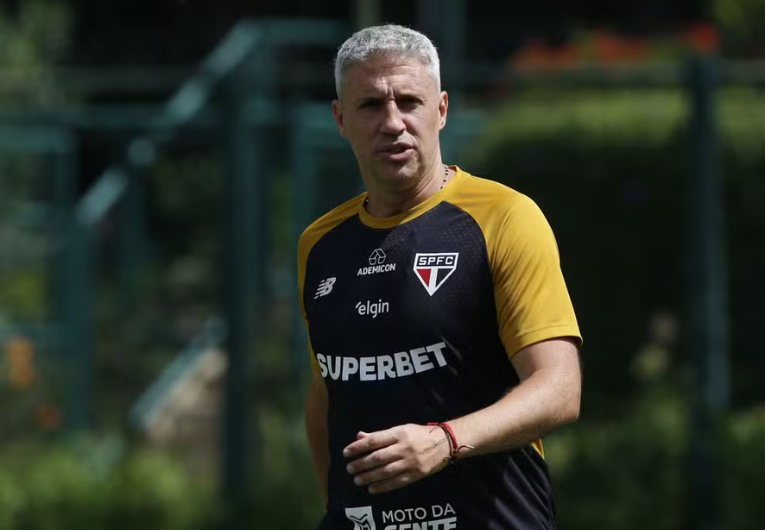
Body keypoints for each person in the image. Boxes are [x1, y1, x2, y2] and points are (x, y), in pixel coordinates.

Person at [297, 23, 582, 530]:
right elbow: (326, 399)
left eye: (409, 101)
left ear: (442, 110)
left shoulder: (503, 217)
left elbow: (559, 388)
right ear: (340, 119)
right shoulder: (319, 244)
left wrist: (445, 441)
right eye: (370, 105)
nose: (393, 123)